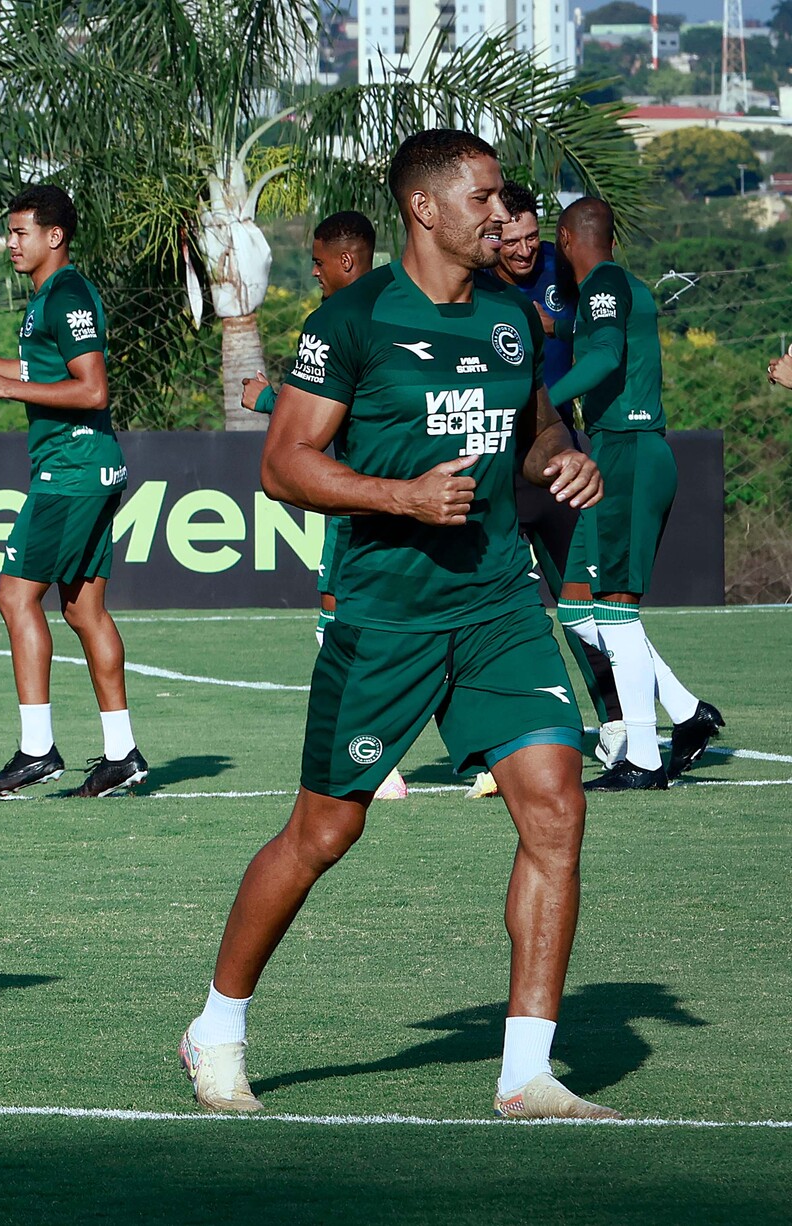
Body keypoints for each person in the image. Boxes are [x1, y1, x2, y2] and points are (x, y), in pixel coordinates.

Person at [178, 129, 613, 1120]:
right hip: (387, 618)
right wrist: (399, 497)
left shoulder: (509, 314)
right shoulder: (352, 320)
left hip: (499, 604)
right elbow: (283, 464)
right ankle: (216, 1026)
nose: (501, 215)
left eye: (501, 198)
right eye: (483, 198)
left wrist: (560, 455)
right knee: (323, 831)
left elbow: (536, 423)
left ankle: (526, 1073)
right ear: (424, 207)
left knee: (555, 807)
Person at [0, 185, 145, 799]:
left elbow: (92, 389)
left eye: (21, 232)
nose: (11, 243)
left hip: (72, 469)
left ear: (55, 236)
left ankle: (37, 750)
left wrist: (0, 389)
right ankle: (122, 754)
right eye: (11, 232)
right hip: (90, 468)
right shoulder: (49, 298)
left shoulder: (67, 293)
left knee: (15, 596)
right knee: (83, 610)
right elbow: (43, 371)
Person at [546, 196, 724, 789]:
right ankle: (687, 710)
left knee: (616, 608)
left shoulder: (604, 284)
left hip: (627, 450)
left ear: (566, 239)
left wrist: (542, 401)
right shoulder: (622, 287)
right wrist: (553, 327)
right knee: (577, 609)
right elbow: (597, 333)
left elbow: (605, 354)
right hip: (618, 453)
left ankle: (644, 759)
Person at [494, 184, 621, 777]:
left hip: (555, 448)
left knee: (581, 598)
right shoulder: (474, 279)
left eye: (531, 238)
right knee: (492, 604)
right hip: (493, 455)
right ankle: (499, 740)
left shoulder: (562, 268)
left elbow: (601, 330)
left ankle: (616, 721)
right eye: (510, 241)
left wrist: (557, 328)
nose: (523, 250)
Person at [242, 210, 375, 645]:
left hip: (357, 496)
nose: (315, 272)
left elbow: (333, 410)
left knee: (334, 620)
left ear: (346, 261)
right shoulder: (402, 305)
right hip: (404, 490)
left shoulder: (332, 319)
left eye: (319, 262)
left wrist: (266, 400)